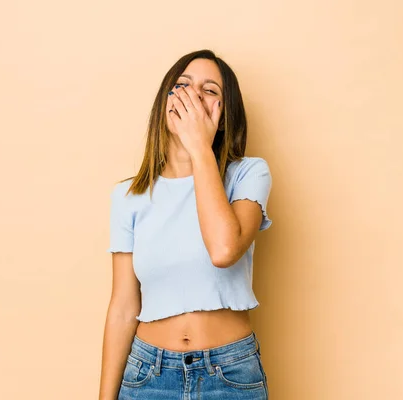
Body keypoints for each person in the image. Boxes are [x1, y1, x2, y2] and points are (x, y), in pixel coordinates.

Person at [98, 49, 272, 400]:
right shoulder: (128, 196)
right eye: (182, 85)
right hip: (148, 375)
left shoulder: (248, 174)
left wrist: (199, 148)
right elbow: (123, 306)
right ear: (166, 104)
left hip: (230, 373)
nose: (193, 95)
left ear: (223, 117)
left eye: (210, 91)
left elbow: (224, 250)